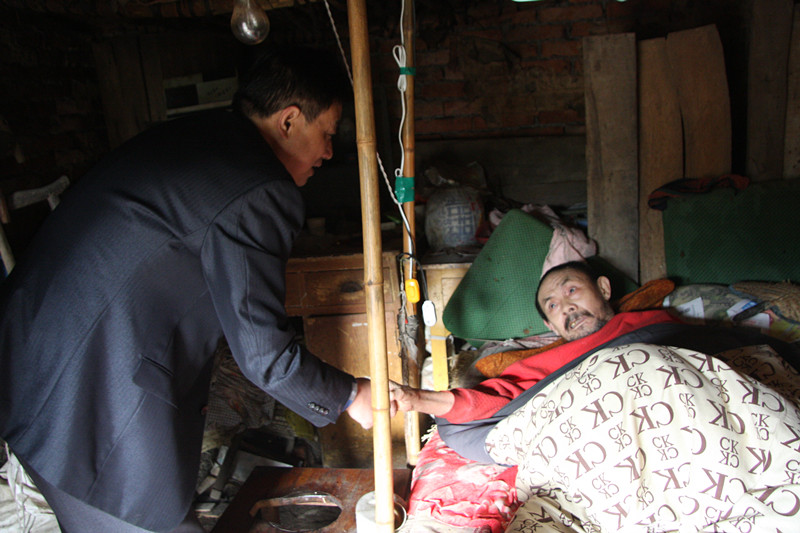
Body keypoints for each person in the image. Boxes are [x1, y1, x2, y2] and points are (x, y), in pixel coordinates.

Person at [0, 44, 373, 533]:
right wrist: (351, 395)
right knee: (140, 516)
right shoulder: (259, 186)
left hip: (35, 356)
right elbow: (265, 355)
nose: (328, 151)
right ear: (288, 120)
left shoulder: (202, 138)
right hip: (84, 395)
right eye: (326, 133)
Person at [391, 260, 798, 424]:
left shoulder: (654, 321)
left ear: (604, 288)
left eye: (572, 290)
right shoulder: (551, 358)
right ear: (550, 324)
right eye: (552, 305)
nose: (565, 306)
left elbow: (723, 353)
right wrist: (420, 399)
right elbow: (500, 399)